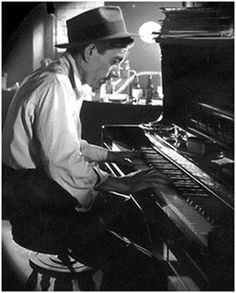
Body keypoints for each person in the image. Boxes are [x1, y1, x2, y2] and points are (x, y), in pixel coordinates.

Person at [3, 6, 171, 290]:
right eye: (114, 61)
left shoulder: (62, 80)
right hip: (38, 212)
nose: (115, 73)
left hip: (37, 198)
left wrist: (111, 156)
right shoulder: (54, 85)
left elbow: (66, 144)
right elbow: (63, 161)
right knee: (143, 257)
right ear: (91, 51)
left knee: (133, 216)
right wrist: (117, 182)